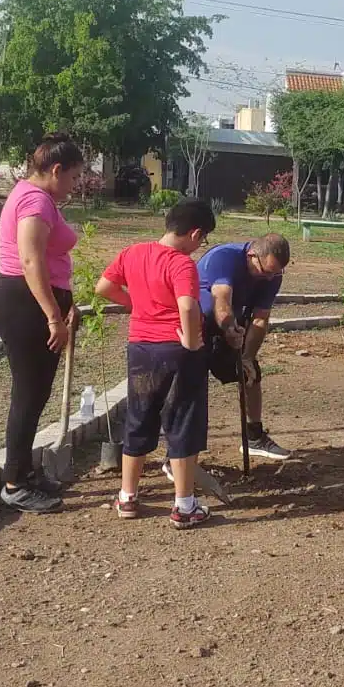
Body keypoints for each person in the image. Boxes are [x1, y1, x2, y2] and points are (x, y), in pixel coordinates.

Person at [95, 199, 216, 528]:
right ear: (194, 233)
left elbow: (104, 287)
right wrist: (191, 343)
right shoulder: (181, 264)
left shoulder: (132, 253)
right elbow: (188, 307)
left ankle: (127, 497)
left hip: (140, 349)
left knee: (138, 418)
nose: (198, 247)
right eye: (201, 240)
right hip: (175, 350)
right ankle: (184, 505)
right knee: (182, 422)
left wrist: (136, 305)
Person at [0, 133, 84, 514]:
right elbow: (31, 262)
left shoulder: (41, 199)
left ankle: (25, 472)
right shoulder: (34, 201)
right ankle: (14, 483)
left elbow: (52, 262)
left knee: (37, 393)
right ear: (56, 171)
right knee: (28, 396)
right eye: (74, 177)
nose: (75, 186)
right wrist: (52, 316)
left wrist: (67, 302)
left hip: (37, 302)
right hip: (25, 305)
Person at [198, 234, 294, 461]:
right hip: (197, 325)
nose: (270, 277)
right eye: (266, 271)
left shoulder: (272, 276)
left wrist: (247, 356)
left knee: (250, 375)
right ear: (252, 256)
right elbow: (221, 300)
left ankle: (254, 438)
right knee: (191, 388)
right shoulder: (224, 257)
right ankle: (179, 455)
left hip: (232, 325)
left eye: (276, 273)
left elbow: (260, 319)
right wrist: (229, 329)